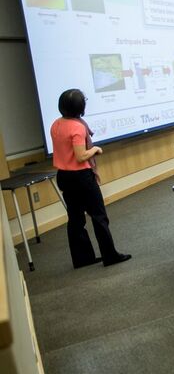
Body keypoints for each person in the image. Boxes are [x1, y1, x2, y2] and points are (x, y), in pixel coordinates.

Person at [51, 89, 131, 269]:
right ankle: (109, 255)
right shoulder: (78, 127)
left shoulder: (56, 124)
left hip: (64, 176)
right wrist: (95, 150)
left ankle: (82, 258)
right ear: (80, 107)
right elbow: (80, 156)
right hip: (81, 177)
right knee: (99, 216)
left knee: (75, 218)